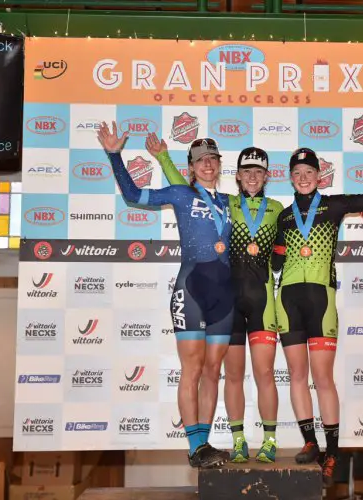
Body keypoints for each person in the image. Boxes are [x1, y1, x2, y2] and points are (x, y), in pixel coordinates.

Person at [271, 125, 363, 485]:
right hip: (287, 301)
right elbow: (273, 263)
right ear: (291, 178)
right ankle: (309, 443)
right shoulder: (283, 217)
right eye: (298, 174)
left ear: (320, 176)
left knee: (322, 378)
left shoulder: (334, 205)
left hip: (321, 300)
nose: (303, 178)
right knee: (297, 376)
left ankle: (333, 453)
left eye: (309, 173)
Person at [97, 122, 233, 469]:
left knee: (212, 370)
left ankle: (206, 445)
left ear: (219, 165)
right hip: (192, 290)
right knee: (192, 368)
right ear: (190, 168)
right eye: (200, 160)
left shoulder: (233, 203)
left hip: (224, 296)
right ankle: (194, 446)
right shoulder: (180, 194)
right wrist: (115, 155)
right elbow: (133, 195)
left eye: (212, 159)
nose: (207, 165)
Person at [146, 133, 283, 463]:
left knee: (245, 372)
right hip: (217, 295)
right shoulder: (225, 202)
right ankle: (224, 443)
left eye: (258, 171)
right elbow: (186, 193)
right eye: (246, 171)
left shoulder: (272, 208)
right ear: (235, 174)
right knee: (216, 372)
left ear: (268, 176)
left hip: (252, 298)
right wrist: (164, 159)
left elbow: (282, 251)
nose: (252, 177)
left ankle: (263, 440)